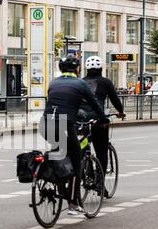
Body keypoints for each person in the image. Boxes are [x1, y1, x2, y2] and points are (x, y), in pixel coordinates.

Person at [40, 54, 109, 216]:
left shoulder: (53, 83)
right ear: (77, 69)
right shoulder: (80, 83)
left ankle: (58, 182)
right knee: (76, 159)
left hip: (45, 124)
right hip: (65, 124)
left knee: (59, 152)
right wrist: (104, 119)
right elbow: (95, 104)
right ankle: (72, 203)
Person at [83, 56, 126, 197]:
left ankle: (85, 171)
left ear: (87, 69)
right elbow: (115, 99)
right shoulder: (105, 82)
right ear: (101, 68)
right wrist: (121, 112)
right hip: (98, 120)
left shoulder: (81, 82)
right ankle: (100, 184)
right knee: (101, 151)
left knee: (82, 147)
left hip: (81, 120)